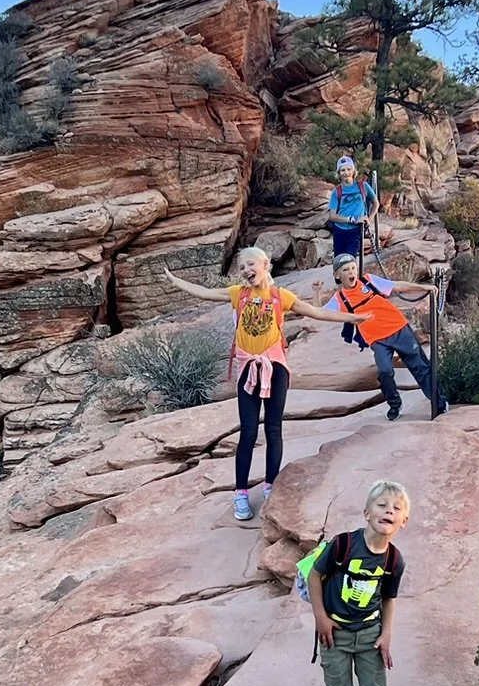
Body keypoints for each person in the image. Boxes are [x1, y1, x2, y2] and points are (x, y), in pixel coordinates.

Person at [164, 247, 360, 522]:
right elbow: (205, 293)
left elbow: (317, 313)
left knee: (273, 428)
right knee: (247, 432)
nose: (246, 270)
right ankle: (241, 493)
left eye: (250, 264)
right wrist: (175, 281)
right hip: (248, 369)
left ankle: (270, 485)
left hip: (276, 367)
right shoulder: (238, 294)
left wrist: (353, 318)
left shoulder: (281, 296)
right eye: (242, 267)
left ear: (266, 264)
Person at [308, 479, 411, 686]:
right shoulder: (343, 544)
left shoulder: (394, 559)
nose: (388, 511)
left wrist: (387, 633)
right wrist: (321, 618)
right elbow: (314, 576)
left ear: (404, 521)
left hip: (369, 635)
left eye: (396, 508)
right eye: (381, 505)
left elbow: (389, 598)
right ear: (366, 512)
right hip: (335, 636)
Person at [327, 253, 446, 420]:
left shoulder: (368, 281)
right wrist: (317, 293)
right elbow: (320, 313)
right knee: (385, 371)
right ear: (337, 275)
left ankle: (439, 402)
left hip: (398, 328)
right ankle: (394, 404)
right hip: (377, 340)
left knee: (419, 366)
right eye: (346, 270)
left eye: (353, 268)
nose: (351, 272)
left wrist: (423, 288)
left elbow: (396, 286)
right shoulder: (340, 299)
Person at [325, 155, 378, 265]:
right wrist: (352, 219)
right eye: (342, 170)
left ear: (354, 171)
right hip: (340, 230)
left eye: (349, 169)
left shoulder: (363, 186)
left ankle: (350, 281)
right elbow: (332, 215)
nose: (346, 173)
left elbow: (376, 203)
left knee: (349, 260)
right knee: (339, 261)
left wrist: (369, 219)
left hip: (355, 231)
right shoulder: (337, 191)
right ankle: (339, 281)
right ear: (339, 173)